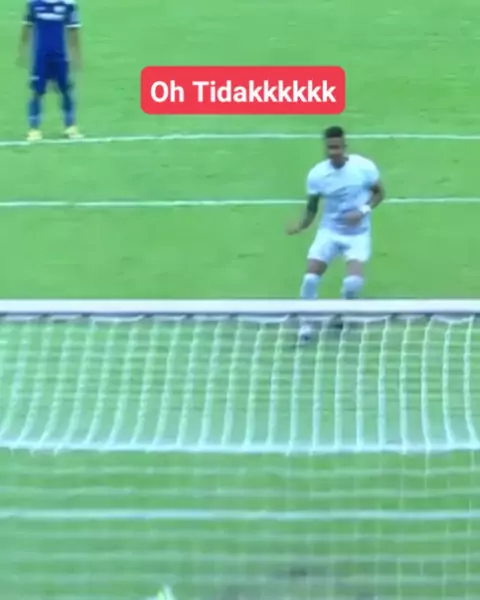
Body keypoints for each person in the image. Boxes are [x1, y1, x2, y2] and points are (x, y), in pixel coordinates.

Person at [286, 126, 385, 341]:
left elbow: (379, 193)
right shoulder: (317, 175)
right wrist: (301, 225)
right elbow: (312, 207)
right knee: (310, 278)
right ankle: (306, 323)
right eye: (330, 148)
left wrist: (362, 211)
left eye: (337, 147)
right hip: (329, 232)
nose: (334, 152)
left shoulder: (363, 167)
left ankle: (341, 313)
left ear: (344, 146)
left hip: (358, 234)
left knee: (353, 283)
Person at [19, 0, 82, 141]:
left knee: (66, 89)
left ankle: (70, 126)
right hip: (40, 56)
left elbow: (73, 31)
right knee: (37, 91)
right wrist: (23, 51)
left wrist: (76, 56)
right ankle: (34, 128)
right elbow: (26, 27)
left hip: (60, 56)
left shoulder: (68, 4)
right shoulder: (34, 4)